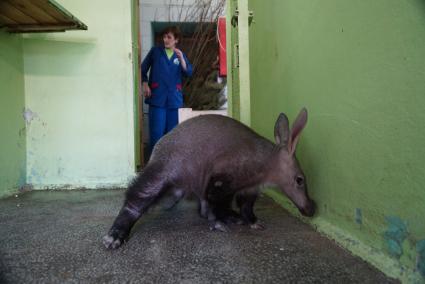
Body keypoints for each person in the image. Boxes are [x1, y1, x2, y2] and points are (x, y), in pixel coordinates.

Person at [142, 26, 193, 152]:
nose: (166, 40)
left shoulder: (179, 54)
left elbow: (189, 73)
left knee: (172, 136)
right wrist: (144, 83)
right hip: (157, 99)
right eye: (164, 37)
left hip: (174, 101)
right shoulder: (155, 51)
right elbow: (142, 69)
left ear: (176, 40)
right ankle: (154, 165)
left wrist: (182, 60)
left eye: (169, 37)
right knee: (156, 134)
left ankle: (169, 166)